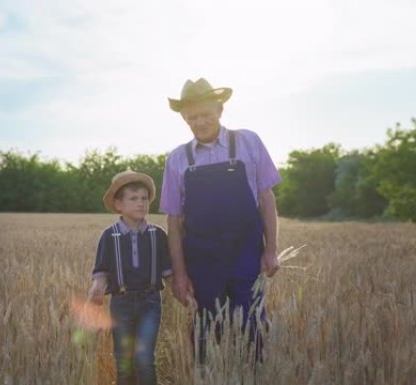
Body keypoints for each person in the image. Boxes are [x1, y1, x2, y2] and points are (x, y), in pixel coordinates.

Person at [159, 78, 281, 362]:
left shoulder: (249, 141)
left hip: (246, 253)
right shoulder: (177, 159)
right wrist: (179, 274)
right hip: (201, 258)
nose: (200, 122)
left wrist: (271, 249)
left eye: (206, 114)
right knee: (206, 332)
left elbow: (266, 199)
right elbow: (174, 222)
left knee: (253, 326)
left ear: (220, 110)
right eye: (192, 118)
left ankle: (254, 377)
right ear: (184, 118)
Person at [88, 170, 172, 385]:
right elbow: (101, 270)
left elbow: (168, 271)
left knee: (144, 360)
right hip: (121, 303)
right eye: (133, 198)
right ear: (119, 204)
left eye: (144, 198)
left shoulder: (157, 235)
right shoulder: (109, 236)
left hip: (150, 302)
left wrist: (182, 291)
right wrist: (97, 289)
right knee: (124, 362)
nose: (141, 203)